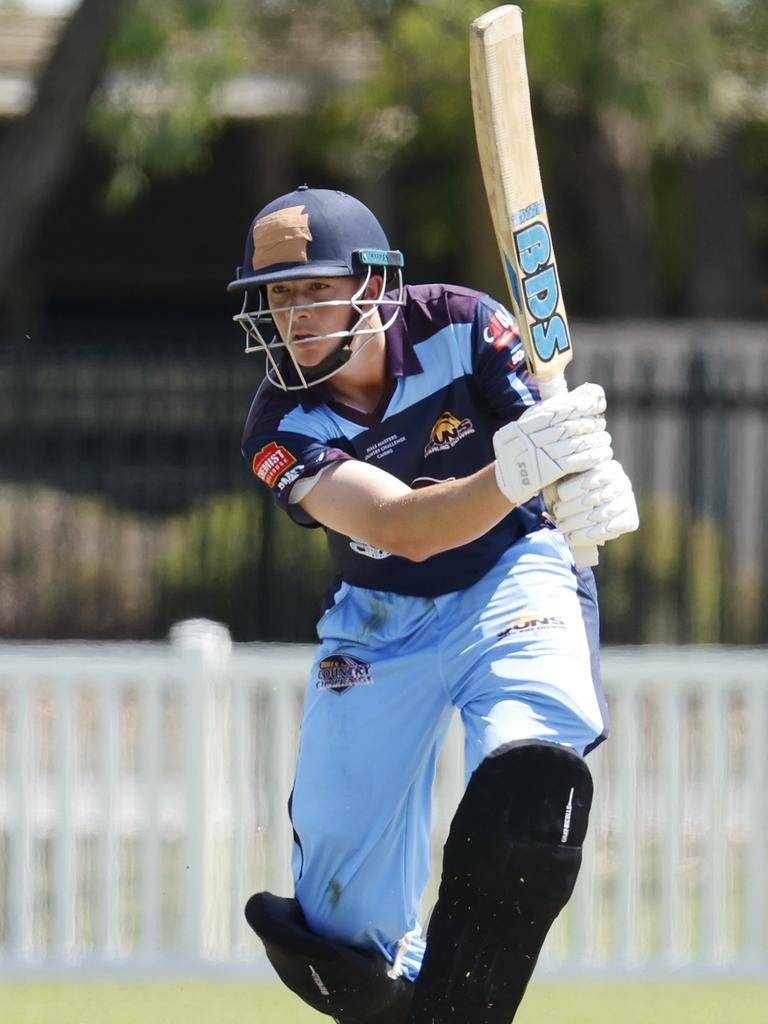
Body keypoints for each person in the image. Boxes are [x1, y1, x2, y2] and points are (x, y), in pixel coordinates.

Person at [228, 185, 638, 1024]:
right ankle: (414, 994)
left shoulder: (466, 323)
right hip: (380, 621)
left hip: (512, 576)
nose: (292, 314)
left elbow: (549, 442)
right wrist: (521, 469)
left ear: (375, 283)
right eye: (277, 295)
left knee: (530, 767)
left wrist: (585, 479)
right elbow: (397, 527)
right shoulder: (278, 425)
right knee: (340, 928)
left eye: (313, 288)